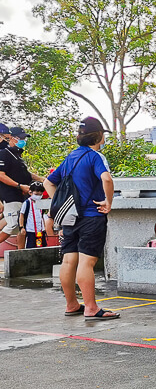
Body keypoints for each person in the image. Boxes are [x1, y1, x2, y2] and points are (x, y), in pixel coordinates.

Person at [44, 117, 119, 320]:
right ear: (99, 136)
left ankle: (71, 304)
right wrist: (108, 202)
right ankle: (91, 308)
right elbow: (107, 179)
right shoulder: (95, 157)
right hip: (91, 217)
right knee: (87, 262)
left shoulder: (70, 158)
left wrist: (61, 204)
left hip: (70, 218)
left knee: (68, 261)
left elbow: (48, 183)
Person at [0, 127, 46, 245]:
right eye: (21, 138)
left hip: (23, 195)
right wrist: (19, 186)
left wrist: (41, 179)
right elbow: (1, 175)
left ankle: (21, 252)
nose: (23, 140)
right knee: (13, 223)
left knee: (23, 224)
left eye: (24, 138)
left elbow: (25, 173)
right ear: (11, 138)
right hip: (10, 194)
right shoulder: (4, 154)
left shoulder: (18, 156)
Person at [17, 181, 49, 248]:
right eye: (37, 194)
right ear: (30, 192)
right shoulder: (27, 203)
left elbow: (42, 215)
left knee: (42, 245)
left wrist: (45, 227)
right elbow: (22, 215)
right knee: (31, 246)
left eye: (40, 194)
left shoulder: (41, 202)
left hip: (40, 229)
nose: (39, 196)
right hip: (30, 229)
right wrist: (21, 227)